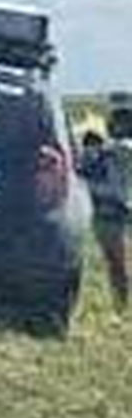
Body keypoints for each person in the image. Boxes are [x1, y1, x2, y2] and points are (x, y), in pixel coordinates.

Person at [78, 130, 132, 314]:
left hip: (115, 215)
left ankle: (121, 303)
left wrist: (86, 185)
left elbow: (116, 191)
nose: (88, 153)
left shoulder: (114, 158)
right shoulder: (90, 161)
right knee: (113, 264)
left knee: (118, 263)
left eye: (91, 149)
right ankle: (119, 304)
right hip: (100, 217)